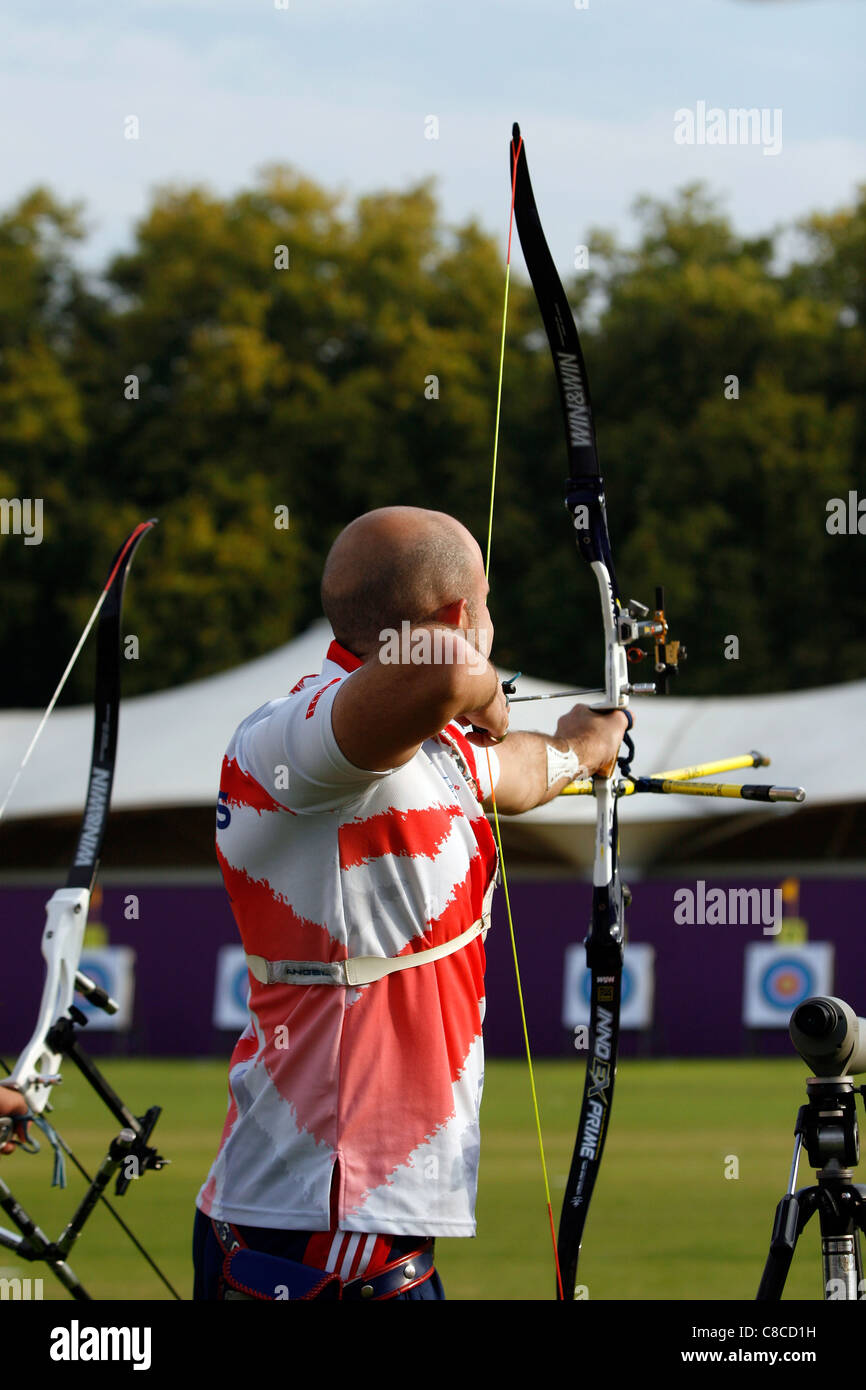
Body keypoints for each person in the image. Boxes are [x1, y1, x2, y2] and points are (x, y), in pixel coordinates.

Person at [193, 506, 627, 1301]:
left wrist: (584, 748)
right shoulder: (292, 739)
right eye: (486, 605)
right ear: (460, 616)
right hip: (314, 1223)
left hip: (360, 1223)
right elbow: (450, 671)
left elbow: (519, 775)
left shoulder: (428, 745)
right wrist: (489, 695)